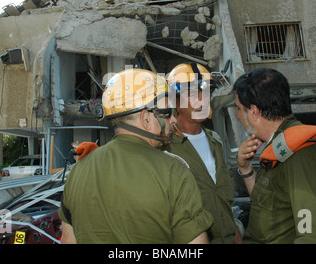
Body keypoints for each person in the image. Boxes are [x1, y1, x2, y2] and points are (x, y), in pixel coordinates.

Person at [59, 68, 213, 244]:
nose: (173, 120)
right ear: (146, 119)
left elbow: (68, 241)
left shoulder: (77, 172)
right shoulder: (174, 171)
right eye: (167, 113)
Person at [233, 68, 316, 244]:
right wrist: (245, 168)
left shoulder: (301, 151)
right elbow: (269, 203)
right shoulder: (279, 147)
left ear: (254, 112)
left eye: (239, 109)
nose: (238, 115)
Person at [166, 63, 242, 244]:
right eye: (192, 94)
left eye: (205, 92)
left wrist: (236, 237)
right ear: (175, 101)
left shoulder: (215, 141)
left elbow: (223, 202)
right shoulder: (166, 148)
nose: (201, 100)